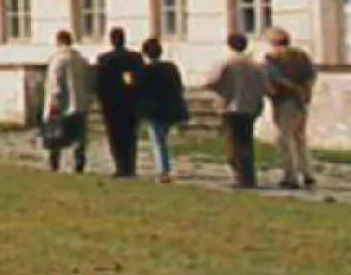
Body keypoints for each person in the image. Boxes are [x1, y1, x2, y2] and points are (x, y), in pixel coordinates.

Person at [201, 32, 267, 189]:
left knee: (234, 144)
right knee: (247, 142)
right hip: (251, 106)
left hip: (231, 107)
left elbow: (211, 82)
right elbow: (264, 85)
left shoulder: (226, 64)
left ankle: (240, 176)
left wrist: (221, 92)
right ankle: (249, 176)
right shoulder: (256, 65)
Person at [263, 28, 321, 191]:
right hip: (301, 101)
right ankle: (308, 172)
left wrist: (287, 88)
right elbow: (311, 75)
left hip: (284, 100)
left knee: (285, 137)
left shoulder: (273, 58)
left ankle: (291, 174)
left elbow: (273, 77)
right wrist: (305, 92)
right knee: (300, 137)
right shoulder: (301, 55)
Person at [93, 26, 146, 179]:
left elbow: (99, 84)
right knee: (130, 136)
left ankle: (120, 166)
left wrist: (101, 101)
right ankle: (130, 166)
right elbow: (141, 80)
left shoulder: (104, 59)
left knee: (115, 137)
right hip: (131, 103)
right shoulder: (135, 58)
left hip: (111, 105)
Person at [134, 37, 188, 183]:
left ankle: (163, 170)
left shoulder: (146, 70)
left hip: (155, 110)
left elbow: (137, 87)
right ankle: (165, 167)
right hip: (171, 108)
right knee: (163, 139)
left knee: (158, 140)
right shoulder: (171, 67)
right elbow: (179, 87)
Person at [41, 30, 93, 174]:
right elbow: (89, 81)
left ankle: (54, 164)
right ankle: (79, 164)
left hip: (62, 104)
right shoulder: (81, 59)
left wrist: (54, 101)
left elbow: (54, 82)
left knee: (55, 134)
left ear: (59, 41)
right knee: (78, 136)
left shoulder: (58, 60)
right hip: (80, 103)